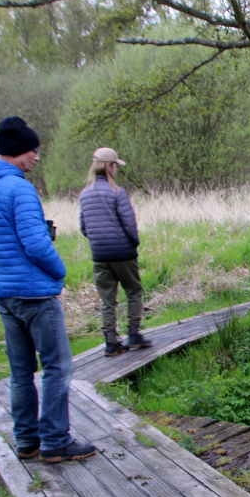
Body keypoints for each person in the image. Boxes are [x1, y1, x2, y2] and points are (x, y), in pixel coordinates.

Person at [0, 116, 96, 463]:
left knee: (21, 370)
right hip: (36, 296)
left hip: (4, 295)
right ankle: (55, 441)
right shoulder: (19, 188)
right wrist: (60, 272)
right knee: (57, 367)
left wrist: (5, 269)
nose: (37, 157)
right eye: (34, 151)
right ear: (18, 151)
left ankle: (27, 440)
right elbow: (37, 245)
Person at [79, 147, 152, 356]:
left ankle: (111, 342)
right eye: (115, 166)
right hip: (123, 252)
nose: (116, 170)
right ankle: (134, 335)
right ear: (110, 167)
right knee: (134, 291)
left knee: (107, 299)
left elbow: (84, 227)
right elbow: (130, 224)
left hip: (100, 254)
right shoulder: (117, 192)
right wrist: (134, 244)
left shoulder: (85, 195)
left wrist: (98, 241)